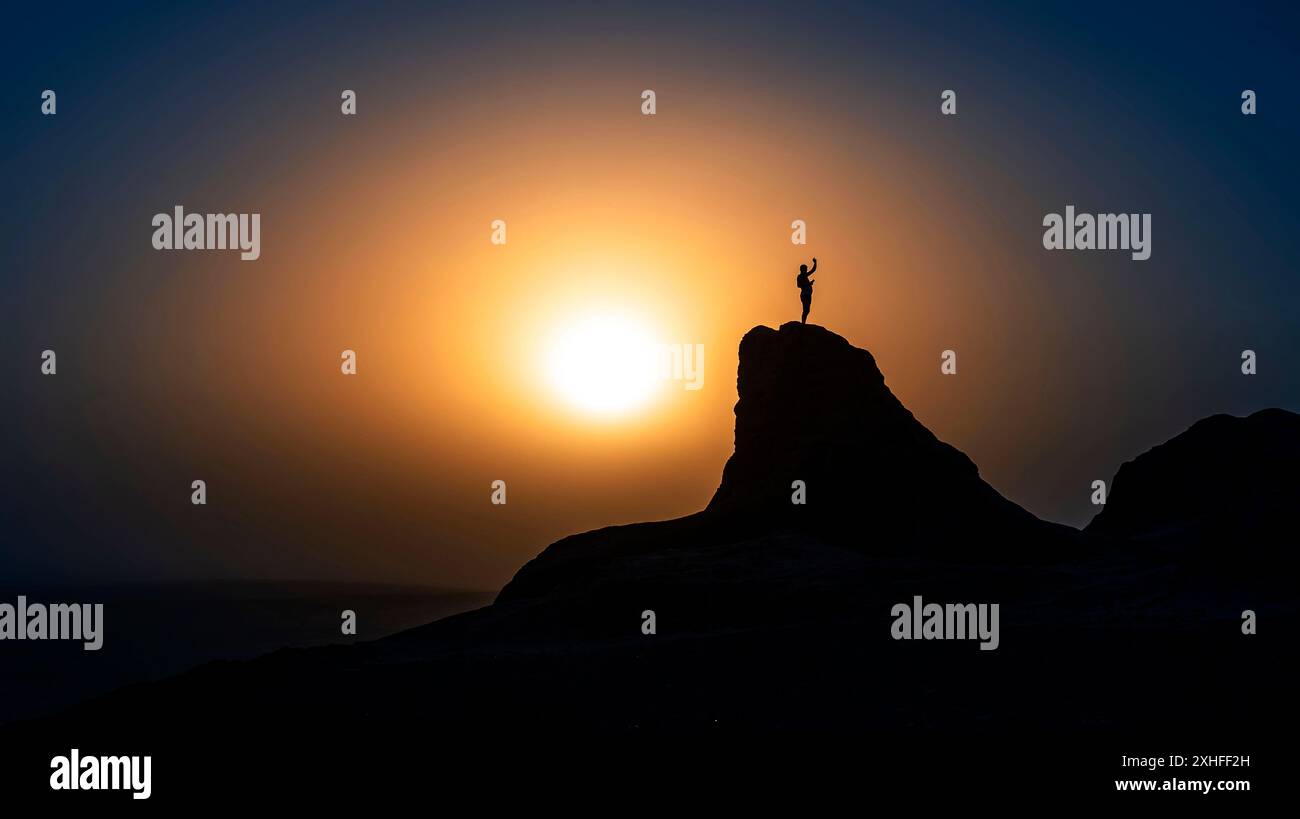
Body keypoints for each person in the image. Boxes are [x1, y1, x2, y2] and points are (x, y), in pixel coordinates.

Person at [796, 257, 817, 324]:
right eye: (805, 269)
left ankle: (803, 322)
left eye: (806, 269)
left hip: (808, 294)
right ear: (802, 270)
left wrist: (815, 263)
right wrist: (808, 284)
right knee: (805, 309)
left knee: (807, 310)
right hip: (805, 294)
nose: (806, 270)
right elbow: (798, 285)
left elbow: (813, 270)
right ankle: (803, 323)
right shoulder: (800, 276)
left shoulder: (805, 275)